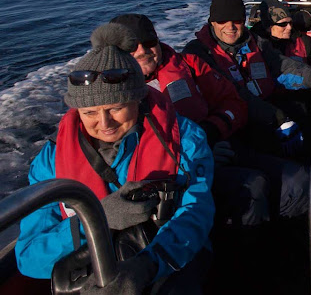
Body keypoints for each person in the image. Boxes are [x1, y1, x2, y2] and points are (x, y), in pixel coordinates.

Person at [16, 23, 214, 293]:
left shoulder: (184, 138)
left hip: (165, 265)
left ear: (138, 99)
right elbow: (29, 257)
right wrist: (96, 220)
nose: (104, 122)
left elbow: (196, 213)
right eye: (90, 113)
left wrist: (148, 266)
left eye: (116, 108)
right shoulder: (49, 161)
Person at [110, 13, 270, 228]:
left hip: (213, 158)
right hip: (154, 186)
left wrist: (210, 132)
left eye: (148, 42)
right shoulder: (106, 99)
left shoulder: (190, 65)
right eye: (132, 46)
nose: (142, 51)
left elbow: (234, 103)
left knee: (285, 183)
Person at [183, 0, 311, 159]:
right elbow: (233, 93)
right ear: (212, 22)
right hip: (234, 128)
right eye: (223, 20)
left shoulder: (254, 41)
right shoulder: (198, 54)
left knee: (307, 118)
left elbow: (283, 66)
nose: (230, 27)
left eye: (237, 21)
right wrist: (278, 118)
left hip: (265, 114)